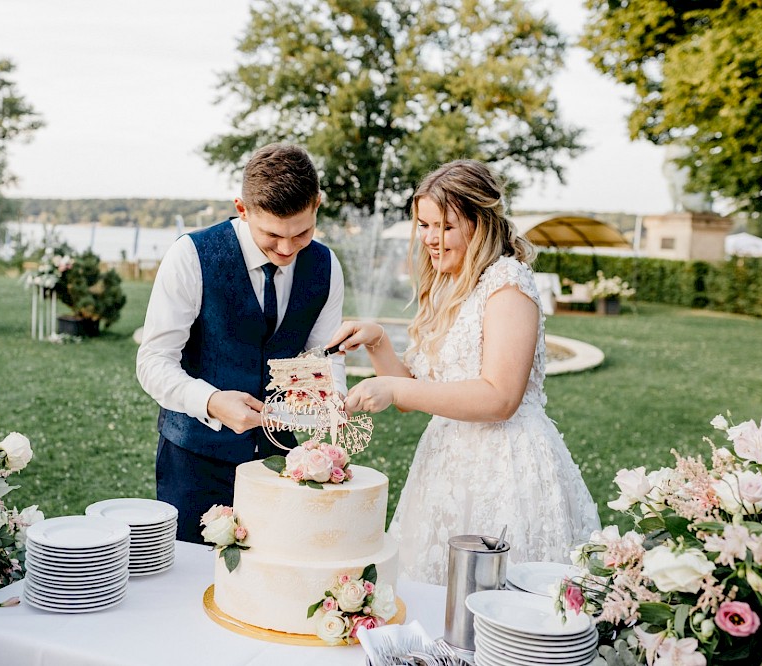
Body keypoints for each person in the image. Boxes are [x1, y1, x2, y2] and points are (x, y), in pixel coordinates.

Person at [326, 159, 600, 585]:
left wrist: (394, 390)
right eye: (425, 225)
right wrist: (378, 340)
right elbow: (421, 391)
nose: (432, 240)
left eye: (446, 226)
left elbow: (500, 398)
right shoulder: (448, 283)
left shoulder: (507, 283)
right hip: (445, 466)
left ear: (481, 223)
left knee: (497, 605)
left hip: (504, 466)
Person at [137, 143, 345, 543]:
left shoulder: (326, 266)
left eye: (302, 232)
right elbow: (153, 362)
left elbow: (322, 359)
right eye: (272, 235)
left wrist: (327, 416)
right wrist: (212, 402)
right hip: (194, 459)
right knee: (192, 585)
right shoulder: (191, 256)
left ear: (317, 204)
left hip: (282, 460)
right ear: (242, 208)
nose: (287, 249)